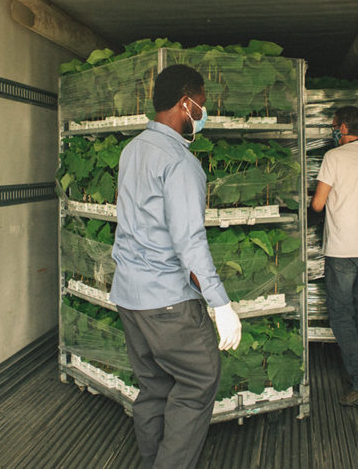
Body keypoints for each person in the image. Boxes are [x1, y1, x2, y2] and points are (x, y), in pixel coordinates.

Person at [109, 64, 241, 469]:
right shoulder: (181, 164)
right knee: (200, 377)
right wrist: (220, 305)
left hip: (129, 297)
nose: (203, 114)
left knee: (153, 387)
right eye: (201, 105)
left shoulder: (132, 151)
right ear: (185, 104)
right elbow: (189, 241)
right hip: (169, 303)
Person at [311, 105, 358, 406]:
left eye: (333, 125)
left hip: (342, 249)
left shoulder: (334, 157)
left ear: (341, 128)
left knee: (341, 316)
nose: (332, 129)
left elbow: (318, 204)